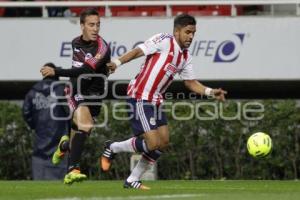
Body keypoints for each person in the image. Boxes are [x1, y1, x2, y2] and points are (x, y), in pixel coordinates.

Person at [101, 14, 227, 190]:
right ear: (176, 31)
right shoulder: (164, 40)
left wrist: (210, 92)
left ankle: (132, 180)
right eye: (187, 32)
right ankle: (113, 147)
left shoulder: (185, 56)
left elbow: (190, 82)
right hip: (141, 96)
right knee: (153, 144)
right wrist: (117, 62)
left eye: (193, 33)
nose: (191, 36)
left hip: (156, 100)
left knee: (164, 143)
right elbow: (138, 50)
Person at [40, 8, 111, 184]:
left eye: (98, 25)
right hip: (75, 91)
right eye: (91, 25)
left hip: (95, 95)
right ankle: (73, 170)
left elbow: (87, 69)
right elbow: (80, 72)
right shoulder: (75, 43)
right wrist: (57, 72)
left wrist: (56, 71)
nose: (95, 29)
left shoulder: (103, 47)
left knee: (80, 135)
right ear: (82, 26)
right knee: (85, 125)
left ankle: (63, 146)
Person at [23, 63, 69, 180]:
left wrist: (36, 126)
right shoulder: (63, 89)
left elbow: (26, 113)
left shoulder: (33, 92)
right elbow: (71, 112)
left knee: (39, 182)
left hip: (40, 141)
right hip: (61, 141)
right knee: (61, 186)